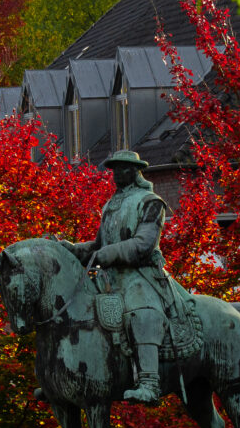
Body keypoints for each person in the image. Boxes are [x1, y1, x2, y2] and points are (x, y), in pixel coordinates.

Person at [65, 150, 180, 403]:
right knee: (77, 307)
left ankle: (149, 382)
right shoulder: (111, 204)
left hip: (142, 273)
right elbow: (98, 245)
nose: (116, 173)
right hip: (107, 273)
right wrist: (72, 249)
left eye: (122, 168)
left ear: (134, 171)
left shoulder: (151, 202)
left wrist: (109, 253)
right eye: (113, 168)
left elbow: (143, 244)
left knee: (141, 312)